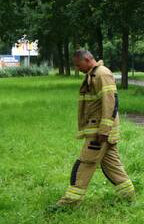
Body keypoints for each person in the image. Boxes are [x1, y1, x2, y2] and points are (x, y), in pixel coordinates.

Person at [50, 49, 135, 209]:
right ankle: (129, 196)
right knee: (112, 166)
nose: (77, 68)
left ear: (88, 59)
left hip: (99, 134)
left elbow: (111, 103)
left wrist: (104, 131)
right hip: (101, 133)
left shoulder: (101, 74)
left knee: (84, 165)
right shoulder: (93, 74)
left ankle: (68, 204)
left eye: (78, 64)